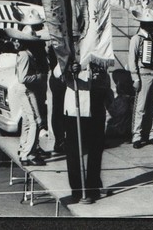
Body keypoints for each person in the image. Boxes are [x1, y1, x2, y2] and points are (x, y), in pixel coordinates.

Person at [64, 61, 110, 201]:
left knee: (96, 150)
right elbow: (57, 74)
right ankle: (78, 190)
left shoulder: (98, 50)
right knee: (74, 151)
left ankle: (93, 187)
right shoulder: (70, 49)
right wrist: (70, 69)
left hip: (96, 107)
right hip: (76, 109)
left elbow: (105, 79)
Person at [5, 25, 49, 166]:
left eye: (18, 40)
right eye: (14, 40)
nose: (16, 42)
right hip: (26, 89)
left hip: (23, 89)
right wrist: (38, 77)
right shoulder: (25, 55)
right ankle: (28, 153)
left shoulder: (23, 54)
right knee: (36, 121)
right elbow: (23, 78)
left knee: (26, 120)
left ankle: (24, 148)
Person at [128, 8, 153, 149]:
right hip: (142, 75)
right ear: (144, 24)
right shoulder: (136, 39)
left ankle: (151, 134)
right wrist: (135, 78)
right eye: (152, 24)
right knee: (140, 108)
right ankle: (137, 136)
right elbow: (132, 60)